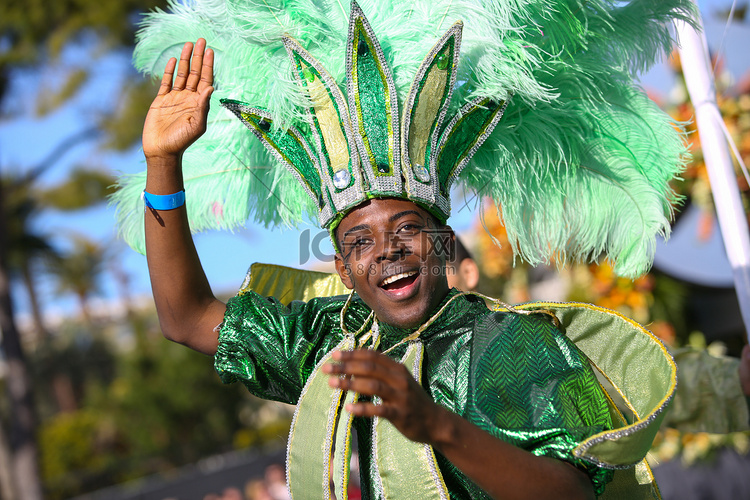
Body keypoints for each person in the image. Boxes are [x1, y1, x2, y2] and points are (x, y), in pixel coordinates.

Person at [118, 1, 699, 498]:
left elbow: (572, 493)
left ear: (443, 241)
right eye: (361, 242)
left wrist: (434, 424)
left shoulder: (517, 343)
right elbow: (187, 318)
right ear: (344, 271)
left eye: (406, 229)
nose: (388, 251)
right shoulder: (334, 347)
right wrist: (163, 165)